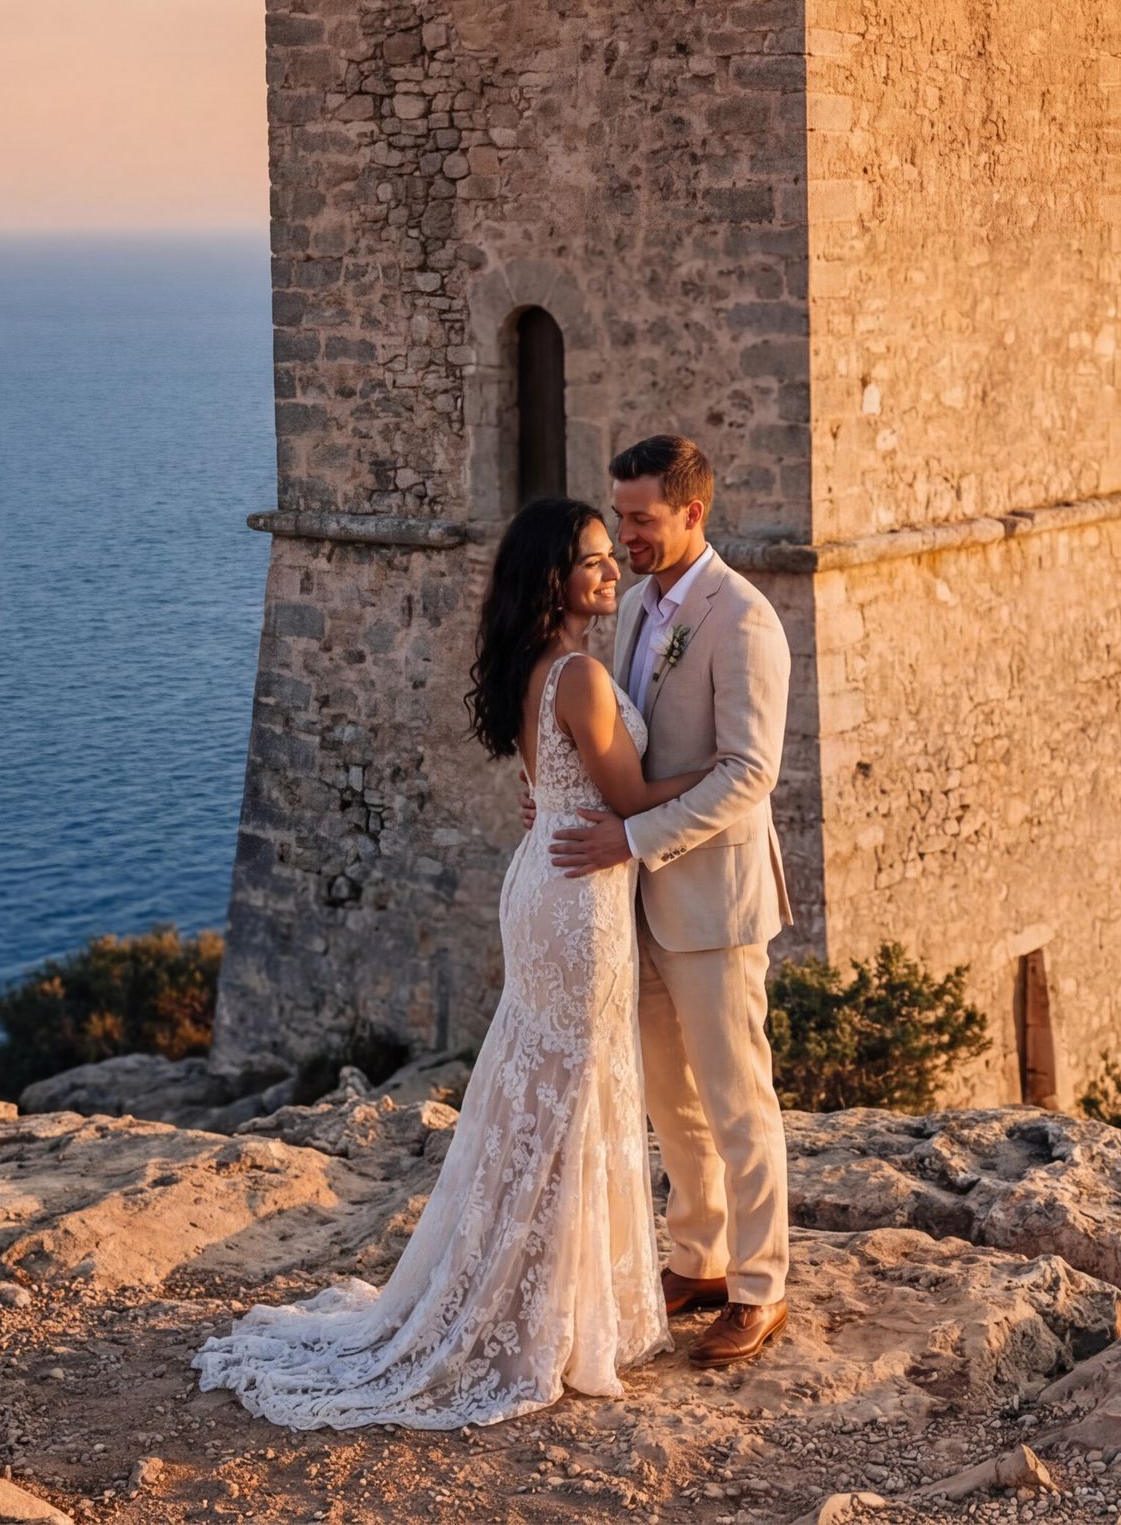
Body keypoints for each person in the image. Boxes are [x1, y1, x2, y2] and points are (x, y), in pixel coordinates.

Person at [193, 498, 693, 1427]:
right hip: (577, 899)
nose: (610, 570)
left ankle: (535, 1296)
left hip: (548, 875)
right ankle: (546, 1311)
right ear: (555, 576)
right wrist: (725, 777)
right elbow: (625, 793)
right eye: (592, 559)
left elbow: (558, 784)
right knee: (573, 1085)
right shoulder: (579, 674)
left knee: (546, 1080)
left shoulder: (538, 667)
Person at [548, 434, 796, 1370]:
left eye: (642, 519)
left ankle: (762, 1285)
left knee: (738, 1097)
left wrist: (633, 837)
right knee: (667, 1092)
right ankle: (699, 1255)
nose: (626, 535)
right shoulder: (639, 606)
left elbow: (748, 772)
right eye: (620, 516)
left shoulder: (744, 620)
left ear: (694, 511)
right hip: (638, 897)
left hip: (713, 900)